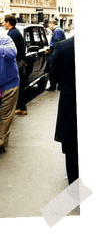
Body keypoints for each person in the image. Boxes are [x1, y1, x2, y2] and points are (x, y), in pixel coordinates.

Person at [49, 37, 79, 184]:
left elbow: (53, 75)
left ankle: (75, 188)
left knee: (72, 145)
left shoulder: (63, 46)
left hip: (70, 103)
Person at [3, 14, 27, 115]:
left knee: (15, 86)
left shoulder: (12, 34)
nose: (3, 24)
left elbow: (11, 51)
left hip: (16, 63)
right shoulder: (15, 32)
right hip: (19, 62)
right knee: (18, 85)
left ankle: (21, 107)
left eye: (4, 22)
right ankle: (21, 107)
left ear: (8, 23)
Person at [47, 19, 66, 91]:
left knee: (54, 69)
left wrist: (50, 49)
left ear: (52, 23)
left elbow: (56, 43)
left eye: (49, 25)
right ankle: (57, 85)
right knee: (57, 69)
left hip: (56, 53)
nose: (49, 27)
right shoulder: (58, 30)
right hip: (58, 52)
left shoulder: (57, 31)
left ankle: (53, 86)